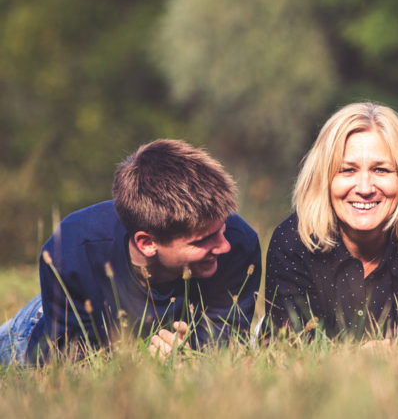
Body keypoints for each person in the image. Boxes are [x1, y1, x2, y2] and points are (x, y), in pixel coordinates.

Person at [0, 139, 261, 365]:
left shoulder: (238, 243)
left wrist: (189, 357)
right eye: (202, 241)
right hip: (41, 327)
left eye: (222, 228)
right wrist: (139, 363)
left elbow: (222, 350)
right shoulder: (72, 251)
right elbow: (67, 369)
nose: (223, 245)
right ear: (147, 243)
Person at [265, 102, 398, 339]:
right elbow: (289, 350)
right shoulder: (292, 242)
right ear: (323, 179)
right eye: (347, 170)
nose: (364, 188)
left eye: (381, 170)